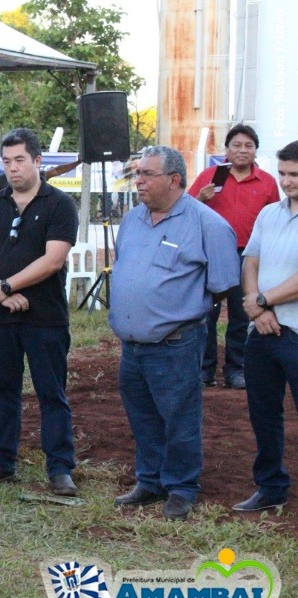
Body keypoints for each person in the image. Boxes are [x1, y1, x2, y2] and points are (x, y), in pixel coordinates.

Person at [109, 146, 239, 520]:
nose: (139, 182)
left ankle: (181, 487)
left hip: (177, 342)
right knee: (143, 415)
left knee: (179, 418)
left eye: (147, 174)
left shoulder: (207, 224)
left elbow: (222, 284)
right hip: (132, 345)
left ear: (174, 180)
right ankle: (150, 481)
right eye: (137, 174)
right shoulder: (132, 220)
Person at [0, 128, 79, 497]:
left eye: (19, 160)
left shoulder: (59, 204)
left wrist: (5, 286)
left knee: (51, 392)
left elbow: (52, 260)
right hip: (0, 316)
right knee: (2, 389)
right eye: (6, 161)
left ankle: (60, 468)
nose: (13, 168)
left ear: (37, 161)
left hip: (44, 315)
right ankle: (0, 461)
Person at [188, 124, 280, 389]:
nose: (242, 151)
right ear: (226, 150)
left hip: (249, 256)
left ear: (255, 152)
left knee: (242, 313)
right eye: (237, 145)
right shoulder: (210, 176)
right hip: (212, 253)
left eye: (248, 146)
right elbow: (186, 209)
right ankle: (204, 370)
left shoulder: (267, 182)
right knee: (207, 313)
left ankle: (235, 369)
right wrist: (201, 198)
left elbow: (273, 220)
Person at [234, 140, 298, 512]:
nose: (288, 182)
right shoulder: (269, 214)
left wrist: (261, 301)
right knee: (263, 415)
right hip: (262, 332)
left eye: (295, 175)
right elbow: (250, 262)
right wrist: (258, 312)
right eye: (284, 173)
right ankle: (271, 487)